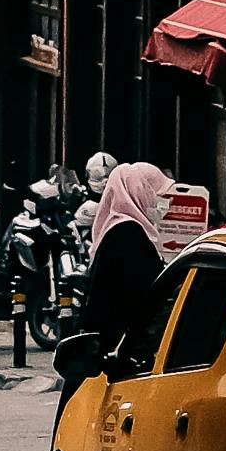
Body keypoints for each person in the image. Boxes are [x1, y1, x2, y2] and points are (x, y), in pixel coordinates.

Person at [56, 159, 179, 384]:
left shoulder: (121, 229)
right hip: (116, 363)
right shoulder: (128, 235)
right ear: (140, 193)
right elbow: (144, 300)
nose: (164, 203)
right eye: (159, 195)